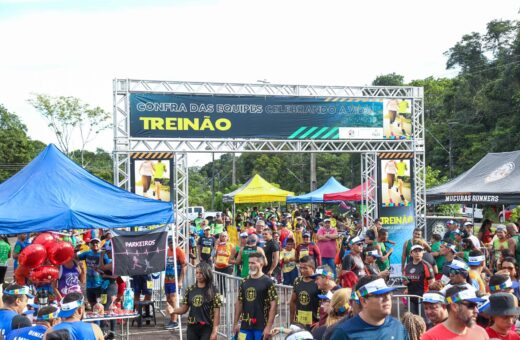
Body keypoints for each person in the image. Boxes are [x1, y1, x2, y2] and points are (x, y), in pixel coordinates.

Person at [328, 275, 406, 339]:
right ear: (364, 301)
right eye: (379, 295)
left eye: (388, 293)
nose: (387, 298)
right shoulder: (344, 333)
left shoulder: (398, 327)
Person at [171, 263, 222, 340]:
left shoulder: (214, 291)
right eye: (197, 273)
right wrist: (173, 310)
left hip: (207, 327)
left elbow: (217, 313)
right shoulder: (190, 289)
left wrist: (214, 332)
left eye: (201, 273)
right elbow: (184, 309)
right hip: (192, 327)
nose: (198, 275)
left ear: (207, 273)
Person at [233, 252, 278, 340]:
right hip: (245, 326)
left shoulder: (268, 282)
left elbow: (274, 305)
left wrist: (268, 327)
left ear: (261, 264)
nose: (250, 265)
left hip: (261, 326)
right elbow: (239, 303)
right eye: (249, 263)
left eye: (253, 263)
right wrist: (235, 323)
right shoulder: (244, 281)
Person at [421, 285, 488, 340]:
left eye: (476, 305)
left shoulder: (481, 333)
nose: (476, 311)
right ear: (454, 307)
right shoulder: (430, 337)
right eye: (471, 306)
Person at [76, 238, 110, 309]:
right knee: (92, 306)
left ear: (100, 244)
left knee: (99, 307)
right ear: (90, 245)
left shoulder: (103, 254)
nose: (95, 244)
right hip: (89, 285)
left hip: (100, 285)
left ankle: (101, 320)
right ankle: (94, 320)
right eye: (93, 243)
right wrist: (76, 249)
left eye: (97, 243)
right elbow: (76, 258)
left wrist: (106, 279)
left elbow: (109, 268)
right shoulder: (87, 253)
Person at [290, 256, 320, 330]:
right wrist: (291, 320)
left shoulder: (318, 281)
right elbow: (293, 301)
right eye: (300, 268)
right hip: (299, 324)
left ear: (312, 268)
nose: (302, 271)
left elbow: (326, 303)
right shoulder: (297, 280)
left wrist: (321, 322)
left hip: (314, 325)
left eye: (305, 268)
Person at [403, 245, 434, 314]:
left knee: (424, 320)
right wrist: (406, 285)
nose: (418, 253)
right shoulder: (408, 266)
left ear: (422, 253)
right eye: (415, 251)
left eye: (420, 251)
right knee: (412, 320)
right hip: (411, 297)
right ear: (411, 254)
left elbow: (432, 283)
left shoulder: (426, 265)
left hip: (422, 298)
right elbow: (405, 281)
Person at [165, 235, 187, 330]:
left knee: (173, 299)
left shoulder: (179, 251)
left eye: (173, 242)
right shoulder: (167, 251)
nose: (171, 244)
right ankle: (173, 318)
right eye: (170, 242)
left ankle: (175, 321)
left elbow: (184, 266)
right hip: (167, 280)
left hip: (175, 280)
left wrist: (180, 281)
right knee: (168, 299)